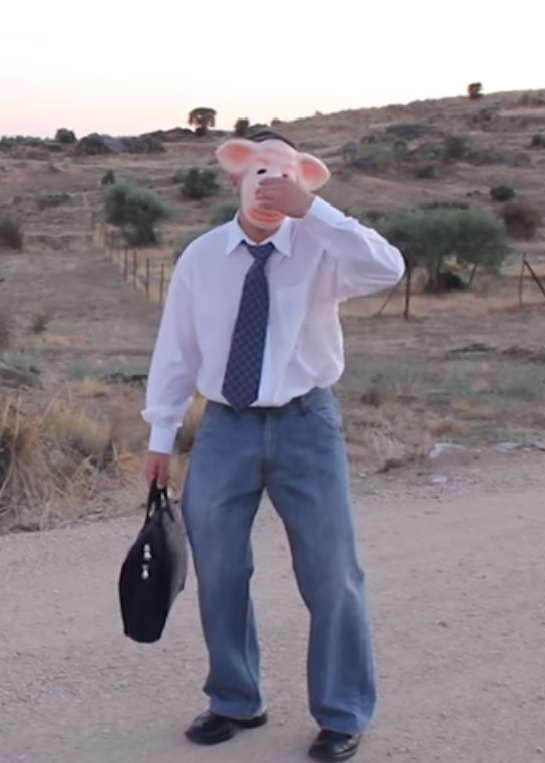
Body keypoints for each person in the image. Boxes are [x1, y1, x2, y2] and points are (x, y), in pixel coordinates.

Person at [140, 130, 405, 762]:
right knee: (221, 569)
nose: (268, 184)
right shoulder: (202, 258)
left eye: (284, 174)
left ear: (304, 179)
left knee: (332, 573)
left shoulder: (323, 248)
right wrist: (160, 435)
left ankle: (342, 713)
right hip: (225, 427)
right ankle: (235, 699)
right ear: (235, 176)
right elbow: (177, 350)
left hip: (306, 424)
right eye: (257, 171)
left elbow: (387, 268)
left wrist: (312, 210)